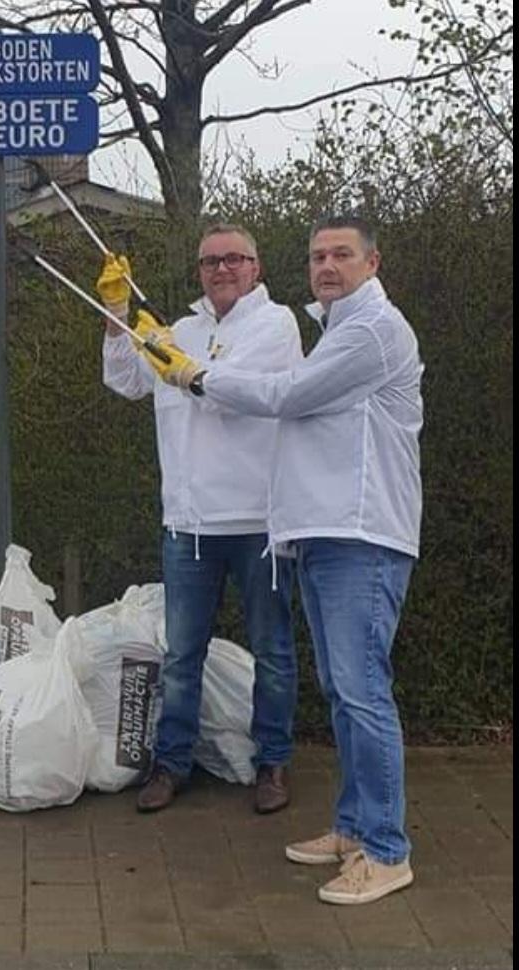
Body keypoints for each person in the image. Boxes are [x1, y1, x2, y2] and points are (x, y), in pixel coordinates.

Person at [151, 216, 423, 905]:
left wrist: (198, 378)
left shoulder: (370, 330)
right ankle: (356, 828)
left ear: (372, 262)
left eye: (340, 254)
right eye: (317, 255)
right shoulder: (338, 327)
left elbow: (287, 397)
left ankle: (387, 851)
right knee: (344, 692)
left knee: (362, 694)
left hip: (362, 535)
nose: (326, 265)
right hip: (327, 534)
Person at [97, 223, 303, 815]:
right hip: (187, 522)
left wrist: (182, 367)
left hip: (258, 520)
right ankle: (171, 763)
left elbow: (245, 390)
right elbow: (125, 380)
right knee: (182, 654)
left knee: (272, 648)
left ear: (255, 267)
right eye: (211, 261)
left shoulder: (276, 324)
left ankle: (273, 762)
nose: (221, 269)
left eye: (234, 259)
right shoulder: (179, 329)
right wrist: (116, 313)